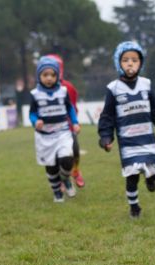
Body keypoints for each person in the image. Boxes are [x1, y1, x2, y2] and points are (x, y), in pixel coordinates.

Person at [98, 41, 155, 218]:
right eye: (125, 60)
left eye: (134, 60)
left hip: (147, 139)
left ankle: (150, 179)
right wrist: (105, 138)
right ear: (118, 63)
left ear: (140, 63)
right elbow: (107, 116)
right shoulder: (113, 89)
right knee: (132, 176)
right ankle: (134, 208)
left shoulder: (146, 85)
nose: (130, 63)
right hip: (128, 142)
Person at [29, 56, 80, 203]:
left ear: (57, 76)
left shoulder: (63, 91)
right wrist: (35, 121)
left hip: (62, 133)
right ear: (39, 76)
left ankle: (65, 179)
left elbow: (70, 109)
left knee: (66, 159)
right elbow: (32, 113)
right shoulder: (35, 94)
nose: (49, 78)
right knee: (51, 167)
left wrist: (75, 122)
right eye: (45, 75)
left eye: (52, 75)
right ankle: (57, 191)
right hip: (44, 137)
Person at [46, 54, 85, 188]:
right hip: (50, 129)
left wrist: (75, 122)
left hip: (67, 126)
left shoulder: (68, 87)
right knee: (55, 156)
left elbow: (73, 107)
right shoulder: (40, 91)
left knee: (74, 149)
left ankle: (76, 171)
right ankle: (60, 180)